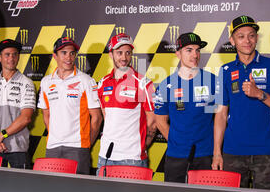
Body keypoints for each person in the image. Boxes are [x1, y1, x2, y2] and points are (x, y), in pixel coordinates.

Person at [212, 15, 270, 190]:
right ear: (232, 41)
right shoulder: (225, 70)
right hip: (232, 153)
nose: (247, 41)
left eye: (251, 35)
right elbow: (220, 114)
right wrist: (217, 153)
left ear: (256, 38)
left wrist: (260, 94)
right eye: (241, 36)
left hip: (265, 153)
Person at [155, 33, 217, 183]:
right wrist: (179, 142)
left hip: (206, 155)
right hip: (176, 157)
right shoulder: (166, 85)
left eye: (197, 50)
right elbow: (160, 121)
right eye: (189, 50)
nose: (195, 55)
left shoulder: (212, 81)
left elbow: (219, 118)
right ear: (178, 54)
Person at [37, 37, 102, 174]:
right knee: (52, 191)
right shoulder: (46, 82)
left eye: (72, 53)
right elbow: (46, 114)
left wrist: (85, 145)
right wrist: (56, 135)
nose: (69, 57)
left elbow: (96, 118)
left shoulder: (86, 80)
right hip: (53, 146)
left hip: (77, 148)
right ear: (55, 56)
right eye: (64, 53)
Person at [96, 33, 156, 172]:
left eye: (128, 53)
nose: (124, 58)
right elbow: (107, 118)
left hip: (132, 158)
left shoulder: (143, 83)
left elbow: (152, 122)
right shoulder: (102, 84)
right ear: (111, 54)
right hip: (105, 155)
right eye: (119, 53)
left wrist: (140, 147)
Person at [0, 39, 35, 169]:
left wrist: (1, 136)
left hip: (18, 149)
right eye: (7, 54)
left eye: (15, 54)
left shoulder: (27, 83)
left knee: (21, 188)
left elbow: (25, 117)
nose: (11, 58)